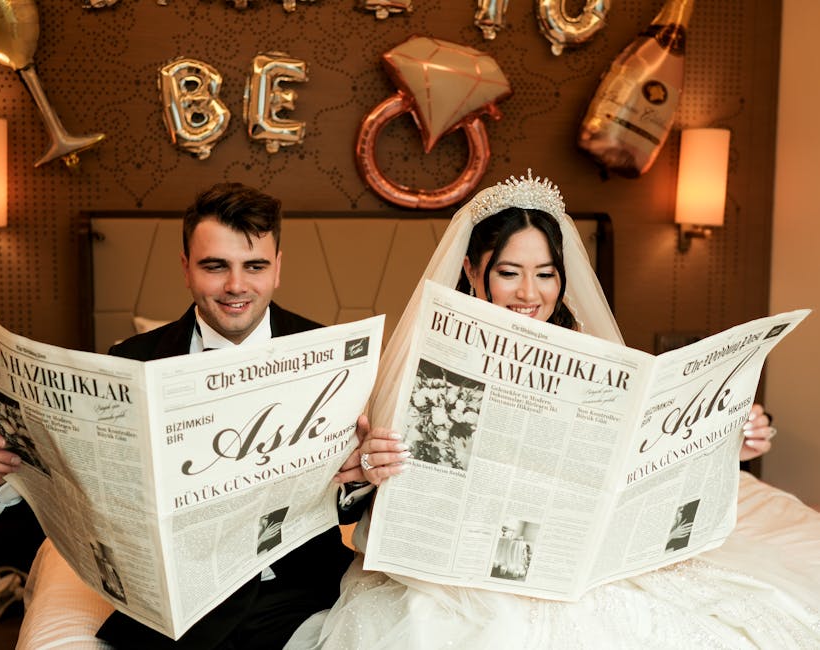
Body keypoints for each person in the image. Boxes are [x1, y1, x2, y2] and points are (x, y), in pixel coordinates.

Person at [284, 172, 820, 649]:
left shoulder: (594, 355)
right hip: (464, 562)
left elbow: (644, 451)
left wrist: (731, 440)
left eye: (545, 274)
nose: (529, 293)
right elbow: (386, 489)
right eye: (509, 272)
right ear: (473, 271)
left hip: (575, 548)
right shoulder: (433, 358)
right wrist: (376, 469)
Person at [0, 182, 374, 649]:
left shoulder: (331, 357)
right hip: (171, 609)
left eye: (254, 266)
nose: (236, 286)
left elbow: (347, 506)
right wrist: (1, 475)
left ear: (277, 268)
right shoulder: (128, 362)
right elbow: (78, 488)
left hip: (296, 592)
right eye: (214, 266)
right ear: (185, 268)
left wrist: (357, 477)